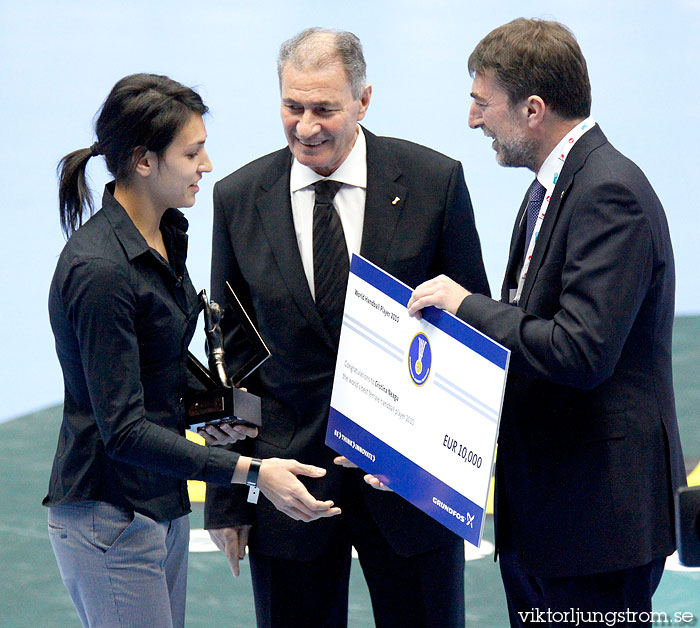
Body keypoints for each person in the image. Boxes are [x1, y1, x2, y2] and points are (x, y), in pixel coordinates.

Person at [204, 27, 490, 628]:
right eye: (292, 106)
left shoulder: (433, 184)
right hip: (291, 487)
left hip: (408, 487)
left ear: (363, 101)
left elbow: (475, 340)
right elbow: (231, 353)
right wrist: (228, 498)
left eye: (324, 109)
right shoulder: (238, 198)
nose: (305, 127)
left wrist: (452, 470)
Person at [406, 19, 685, 627]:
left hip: (596, 529)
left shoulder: (610, 193)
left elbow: (580, 351)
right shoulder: (553, 191)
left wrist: (464, 306)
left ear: (533, 108)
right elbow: (530, 344)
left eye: (482, 103)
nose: (472, 121)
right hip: (549, 518)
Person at [44, 73, 339, 628]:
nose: (207, 165)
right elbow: (124, 430)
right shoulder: (100, 273)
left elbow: (162, 358)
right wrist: (251, 472)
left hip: (159, 503)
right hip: (109, 517)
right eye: (193, 152)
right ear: (144, 161)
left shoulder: (166, 231)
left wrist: (208, 409)